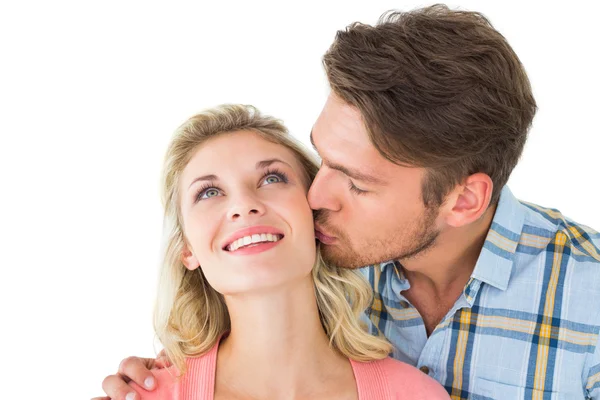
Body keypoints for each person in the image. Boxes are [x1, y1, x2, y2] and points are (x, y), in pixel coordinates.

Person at [98, 5, 600, 399]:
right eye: (322, 158)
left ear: (463, 200)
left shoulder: (589, 301)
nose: (314, 195)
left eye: (357, 183)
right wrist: (165, 375)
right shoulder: (328, 255)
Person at [93, 104, 449, 400]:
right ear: (188, 249)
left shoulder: (416, 394)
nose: (244, 205)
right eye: (208, 192)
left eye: (272, 179)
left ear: (316, 218)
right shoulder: (143, 396)